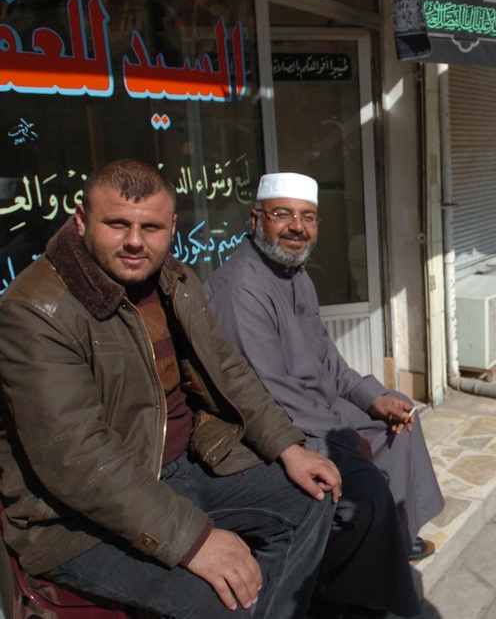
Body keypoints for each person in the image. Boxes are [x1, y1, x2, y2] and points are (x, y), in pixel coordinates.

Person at [0, 159, 341, 618]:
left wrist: (288, 447)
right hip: (75, 519)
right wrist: (194, 541)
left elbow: (227, 366)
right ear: (82, 220)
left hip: (181, 467)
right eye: (117, 224)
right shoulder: (35, 311)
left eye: (151, 227)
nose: (135, 241)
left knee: (312, 499)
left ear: (172, 227)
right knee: (219, 599)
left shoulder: (173, 280)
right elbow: (76, 457)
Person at [205, 172, 442, 612]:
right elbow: (269, 394)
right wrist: (343, 435)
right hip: (278, 429)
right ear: (255, 219)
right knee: (362, 492)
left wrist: (371, 396)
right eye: (283, 215)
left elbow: (327, 361)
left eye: (308, 218)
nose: (297, 227)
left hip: (317, 410)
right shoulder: (240, 290)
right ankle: (355, 594)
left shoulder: (296, 275)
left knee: (402, 420)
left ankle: (393, 539)